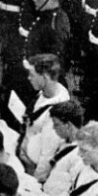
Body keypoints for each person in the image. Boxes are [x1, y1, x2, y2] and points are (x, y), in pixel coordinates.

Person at [19, 54, 70, 182]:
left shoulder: (57, 110)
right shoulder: (44, 93)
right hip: (26, 156)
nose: (29, 78)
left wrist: (34, 184)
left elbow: (47, 156)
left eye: (32, 75)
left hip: (33, 169)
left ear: (45, 77)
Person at [43, 100, 84, 196]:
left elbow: (74, 190)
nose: (53, 128)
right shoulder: (64, 144)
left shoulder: (80, 154)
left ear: (69, 125)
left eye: (56, 124)